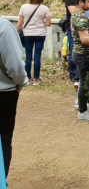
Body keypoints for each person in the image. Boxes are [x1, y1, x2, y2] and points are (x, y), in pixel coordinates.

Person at [0, 15, 28, 182]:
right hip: (3, 93)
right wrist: (20, 82)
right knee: (3, 140)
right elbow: (15, 65)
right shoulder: (3, 26)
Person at [17, 0, 51, 86]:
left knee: (28, 56)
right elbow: (48, 23)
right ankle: (36, 79)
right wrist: (41, 23)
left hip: (27, 34)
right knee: (37, 56)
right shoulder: (44, 8)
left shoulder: (24, 7)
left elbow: (20, 23)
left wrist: (18, 31)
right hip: (40, 34)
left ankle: (28, 78)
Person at [64, 0, 89, 89]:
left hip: (83, 26)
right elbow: (73, 12)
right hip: (72, 28)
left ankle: (80, 76)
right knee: (73, 52)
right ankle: (74, 77)